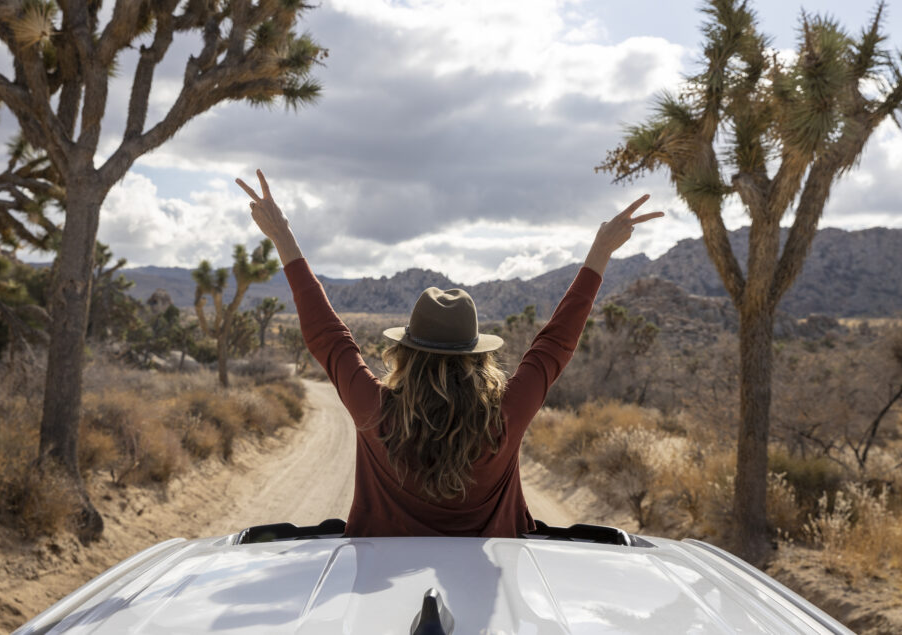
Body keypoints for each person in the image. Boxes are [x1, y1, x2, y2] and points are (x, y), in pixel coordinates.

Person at [236, 169, 663, 537]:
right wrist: (600, 253)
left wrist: (283, 237)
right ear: (478, 357)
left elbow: (328, 338)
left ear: (406, 352)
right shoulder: (504, 414)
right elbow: (554, 344)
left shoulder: (377, 410)